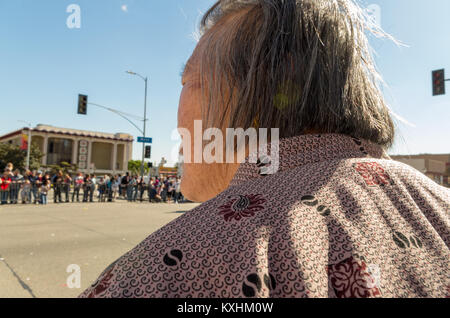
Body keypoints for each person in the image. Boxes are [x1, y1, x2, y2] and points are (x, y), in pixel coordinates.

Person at [81, 0, 450, 298]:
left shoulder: (162, 274)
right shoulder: (440, 210)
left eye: (188, 81)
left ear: (278, 87)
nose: (177, 119)